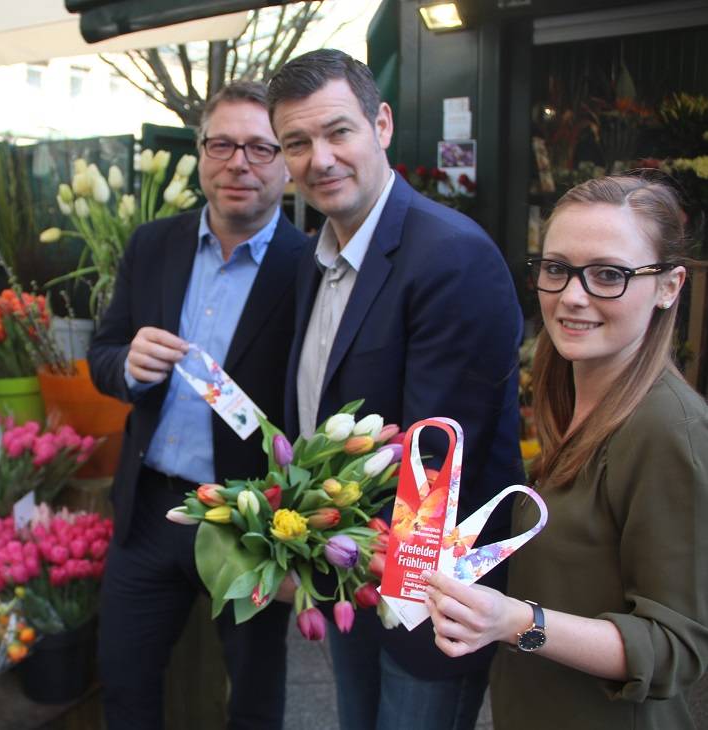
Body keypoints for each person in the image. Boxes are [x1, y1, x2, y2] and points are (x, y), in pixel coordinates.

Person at [266, 49, 524, 730]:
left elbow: (438, 464)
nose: (320, 159)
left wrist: (338, 549)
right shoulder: (314, 257)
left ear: (380, 124)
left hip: (426, 593)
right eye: (297, 142)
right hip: (348, 568)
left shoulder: (449, 254)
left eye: (337, 132)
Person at [425, 172, 708, 729]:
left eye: (609, 274)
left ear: (669, 286)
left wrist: (518, 623)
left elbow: (675, 649)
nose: (573, 296)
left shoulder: (668, 430)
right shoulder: (565, 391)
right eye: (557, 269)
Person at [87, 80, 307, 730]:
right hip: (150, 512)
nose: (239, 163)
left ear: (286, 164)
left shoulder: (311, 268)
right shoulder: (152, 244)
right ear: (201, 151)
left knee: (253, 702)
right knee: (124, 684)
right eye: (222, 144)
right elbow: (103, 353)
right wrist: (126, 367)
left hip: (249, 521)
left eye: (260, 148)